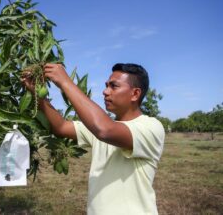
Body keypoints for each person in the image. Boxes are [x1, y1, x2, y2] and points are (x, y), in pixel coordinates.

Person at [22, 63, 165, 215]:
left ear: (135, 94)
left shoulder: (151, 127)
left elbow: (104, 130)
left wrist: (65, 82)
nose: (105, 91)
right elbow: (61, 127)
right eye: (106, 85)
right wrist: (36, 92)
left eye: (113, 86)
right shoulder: (103, 126)